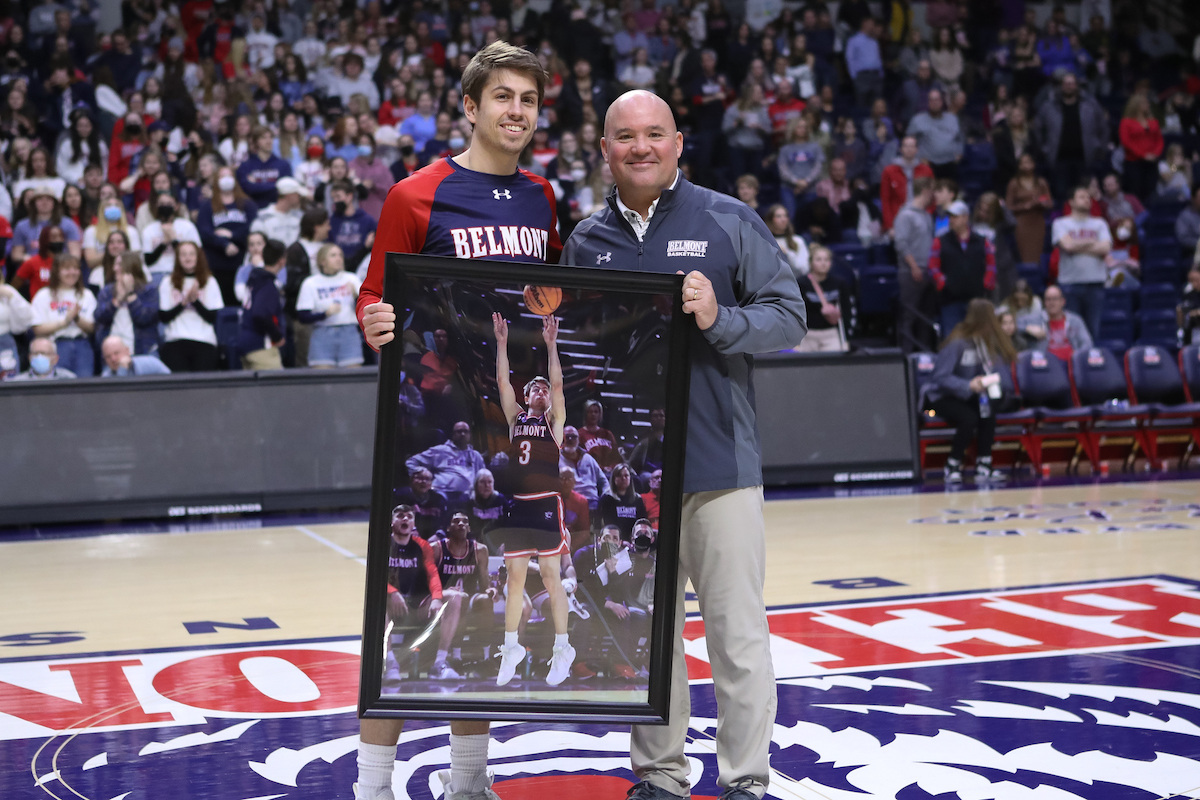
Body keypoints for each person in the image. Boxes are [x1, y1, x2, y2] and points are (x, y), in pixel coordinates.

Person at [561, 89, 806, 800]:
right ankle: (661, 777)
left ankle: (746, 782)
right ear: (604, 151)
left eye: (654, 134)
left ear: (678, 144)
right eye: (624, 137)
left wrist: (719, 317)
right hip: (629, 481)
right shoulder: (584, 241)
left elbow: (787, 316)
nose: (640, 147)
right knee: (650, 640)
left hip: (719, 467)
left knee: (736, 637)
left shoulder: (728, 218)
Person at [354, 41, 563, 800]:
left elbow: (551, 301)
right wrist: (373, 321)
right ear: (470, 107)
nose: (516, 112)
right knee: (402, 606)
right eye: (502, 97)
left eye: (528, 101)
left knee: (477, 593)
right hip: (432, 424)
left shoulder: (543, 197)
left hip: (510, 429)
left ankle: (468, 779)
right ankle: (372, 785)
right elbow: (375, 293)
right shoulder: (416, 194)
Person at [490, 312, 575, 687]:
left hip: (544, 504)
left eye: (543, 388)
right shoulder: (515, 421)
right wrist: (502, 342)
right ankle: (511, 647)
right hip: (519, 505)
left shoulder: (554, 422)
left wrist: (551, 343)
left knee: (551, 577)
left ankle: (562, 648)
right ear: (526, 398)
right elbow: (502, 381)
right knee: (514, 582)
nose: (541, 390)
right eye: (535, 388)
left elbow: (558, 385)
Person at [923, 298, 1016, 484]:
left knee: (987, 409)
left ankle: (984, 464)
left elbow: (998, 373)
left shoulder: (985, 344)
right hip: (939, 398)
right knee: (969, 417)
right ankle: (952, 464)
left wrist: (988, 382)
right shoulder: (957, 343)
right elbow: (939, 377)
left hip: (967, 396)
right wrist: (967, 385)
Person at [428, 511, 495, 679]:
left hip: (469, 597)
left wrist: (491, 590)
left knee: (485, 601)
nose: (461, 524)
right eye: (456, 521)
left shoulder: (480, 550)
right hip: (443, 598)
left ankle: (486, 658)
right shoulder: (437, 549)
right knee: (460, 599)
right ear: (449, 528)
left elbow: (485, 584)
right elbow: (426, 582)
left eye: (465, 521)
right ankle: (456, 657)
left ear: (469, 528)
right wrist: (445, 592)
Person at [1033, 73, 1108, 202]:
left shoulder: (1090, 105)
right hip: (1059, 159)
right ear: (1061, 86)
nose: (1069, 86)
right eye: (1066, 83)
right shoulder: (1049, 106)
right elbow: (1037, 128)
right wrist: (1044, 148)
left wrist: (1098, 146)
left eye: (1072, 83)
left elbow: (1103, 127)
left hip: (1084, 158)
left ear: (1077, 85)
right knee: (1062, 194)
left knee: (1084, 193)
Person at [1052, 185, 1112, 341]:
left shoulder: (1100, 223)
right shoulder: (1060, 223)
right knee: (1071, 333)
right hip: (1070, 284)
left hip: (1095, 284)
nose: (1087, 199)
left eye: (1088, 197)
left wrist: (1076, 245)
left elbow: (1105, 247)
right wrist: (1092, 242)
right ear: (1071, 202)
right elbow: (1067, 246)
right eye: (1082, 197)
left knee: (1093, 331)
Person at [158, 241, 224, 373]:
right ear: (177, 258)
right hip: (175, 339)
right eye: (183, 254)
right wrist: (184, 302)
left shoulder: (210, 282)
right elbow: (164, 317)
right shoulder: (167, 282)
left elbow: (212, 317)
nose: (187, 258)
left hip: (204, 340)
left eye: (191, 254)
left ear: (198, 257)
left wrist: (195, 301)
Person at [296, 244, 364, 369]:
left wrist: (356, 296)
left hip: (349, 332)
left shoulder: (352, 278)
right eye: (333, 255)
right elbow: (303, 316)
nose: (339, 258)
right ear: (323, 261)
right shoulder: (311, 283)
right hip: (322, 333)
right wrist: (325, 314)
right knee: (323, 381)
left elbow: (365, 311)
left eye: (340, 255)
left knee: (353, 379)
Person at [199, 164, 258, 306]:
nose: (226, 180)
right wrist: (224, 244)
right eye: (222, 176)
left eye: (229, 176)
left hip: (242, 261)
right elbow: (204, 232)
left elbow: (253, 227)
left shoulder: (247, 203)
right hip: (217, 263)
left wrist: (232, 235)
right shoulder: (208, 205)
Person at [30, 255, 95, 377]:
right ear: (56, 272)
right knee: (58, 386)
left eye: (75, 268)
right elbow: (37, 329)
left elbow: (92, 328)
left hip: (82, 345)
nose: (72, 272)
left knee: (84, 386)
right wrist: (65, 322)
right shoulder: (44, 295)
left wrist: (76, 318)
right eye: (66, 269)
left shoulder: (87, 295)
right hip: (55, 345)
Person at [893, 176, 937, 352]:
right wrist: (913, 266)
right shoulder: (905, 215)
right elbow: (901, 244)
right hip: (911, 271)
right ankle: (905, 352)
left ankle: (924, 353)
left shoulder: (926, 214)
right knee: (909, 315)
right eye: (932, 190)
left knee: (926, 315)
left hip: (928, 270)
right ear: (926, 190)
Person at [406, 421, 487, 507]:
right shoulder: (440, 450)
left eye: (465, 431)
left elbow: (484, 477)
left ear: (470, 435)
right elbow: (411, 462)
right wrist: (422, 472)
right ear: (453, 434)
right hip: (441, 494)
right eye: (459, 431)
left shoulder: (476, 456)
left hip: (467, 496)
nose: (462, 434)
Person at [94, 252, 159, 357]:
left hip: (143, 350)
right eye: (114, 264)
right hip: (113, 354)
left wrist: (130, 294)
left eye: (119, 264)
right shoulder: (107, 291)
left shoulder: (149, 290)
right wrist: (118, 299)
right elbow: (99, 317)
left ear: (131, 266)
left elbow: (145, 318)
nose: (114, 268)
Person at [238, 238, 287, 370]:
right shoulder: (267, 284)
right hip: (261, 345)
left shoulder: (254, 279)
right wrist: (277, 336)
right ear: (282, 260)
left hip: (245, 341)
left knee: (254, 390)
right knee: (275, 389)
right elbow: (260, 313)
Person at [794, 244, 850, 352]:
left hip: (831, 334)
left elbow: (846, 310)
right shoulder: (801, 283)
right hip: (808, 334)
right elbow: (796, 312)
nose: (823, 263)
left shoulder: (839, 283)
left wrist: (846, 338)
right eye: (818, 260)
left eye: (826, 260)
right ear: (811, 263)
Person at [1016, 284, 1093, 362]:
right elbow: (1012, 325)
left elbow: (1087, 344)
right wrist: (1027, 328)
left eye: (1055, 299)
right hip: (1045, 366)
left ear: (1062, 301)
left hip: (1071, 364)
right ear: (1044, 302)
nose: (1051, 303)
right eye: (1048, 299)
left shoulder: (1075, 320)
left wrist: (1077, 355)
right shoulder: (1036, 319)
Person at [1005, 153, 1054, 265]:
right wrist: (1025, 206)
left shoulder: (1041, 182)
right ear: (1019, 166)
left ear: (1033, 164)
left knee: (1038, 253)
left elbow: (1050, 203)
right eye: (1023, 163)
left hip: (1037, 221)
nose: (1026, 165)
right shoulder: (1014, 183)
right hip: (1021, 222)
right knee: (1025, 254)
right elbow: (1008, 207)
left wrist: (1042, 203)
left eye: (1028, 162)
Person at [142, 193, 202, 280]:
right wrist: (164, 243)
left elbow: (197, 255)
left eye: (169, 204)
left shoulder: (187, 226)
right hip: (156, 273)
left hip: (180, 272)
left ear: (176, 206)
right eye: (162, 204)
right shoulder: (148, 229)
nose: (165, 206)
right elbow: (148, 261)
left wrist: (174, 240)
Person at [880, 135, 934, 231]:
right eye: (906, 146)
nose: (909, 149)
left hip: (921, 219)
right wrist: (889, 226)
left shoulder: (926, 171)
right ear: (901, 149)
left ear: (917, 149)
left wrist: (928, 215)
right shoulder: (889, 171)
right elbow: (885, 200)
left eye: (912, 146)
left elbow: (932, 197)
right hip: (897, 219)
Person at [906, 88, 962, 180]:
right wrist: (918, 157)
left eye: (937, 99)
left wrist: (960, 152)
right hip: (928, 164)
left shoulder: (952, 118)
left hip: (950, 163)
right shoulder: (918, 120)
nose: (934, 102)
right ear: (928, 102)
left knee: (949, 191)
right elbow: (909, 141)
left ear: (941, 102)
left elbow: (960, 138)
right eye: (931, 100)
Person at [1119, 94, 1163, 201]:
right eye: (1144, 103)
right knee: (1136, 193)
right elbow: (1126, 142)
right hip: (1134, 163)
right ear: (1136, 105)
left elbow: (1159, 140)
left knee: (1151, 192)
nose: (1147, 105)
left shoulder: (1153, 121)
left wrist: (1155, 154)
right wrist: (1143, 155)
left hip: (1151, 162)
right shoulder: (1126, 122)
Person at [558, 425, 610, 510]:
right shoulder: (556, 458)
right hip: (570, 502)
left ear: (578, 440)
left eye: (573, 437)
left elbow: (603, 481)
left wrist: (606, 496)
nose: (570, 439)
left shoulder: (588, 458)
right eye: (567, 437)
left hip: (592, 501)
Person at [599, 462, 649, 543]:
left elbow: (642, 523)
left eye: (626, 475)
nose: (623, 478)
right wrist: (621, 542)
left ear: (630, 478)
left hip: (634, 542)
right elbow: (607, 525)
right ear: (614, 479)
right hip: (613, 541)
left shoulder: (638, 499)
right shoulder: (607, 499)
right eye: (619, 476)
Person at [251, 177, 306, 248]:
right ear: (289, 196)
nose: (300, 199)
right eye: (298, 195)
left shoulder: (299, 216)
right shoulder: (263, 218)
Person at [0, 268, 32, 378]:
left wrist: (11, 297)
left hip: (4, 343)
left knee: (9, 381)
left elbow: (28, 318)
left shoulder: (6, 290)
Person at [578, 399, 622, 472]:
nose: (593, 414)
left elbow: (616, 456)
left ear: (600, 414)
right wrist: (601, 468)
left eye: (596, 412)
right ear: (586, 414)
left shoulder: (607, 434)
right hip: (590, 472)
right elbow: (580, 459)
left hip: (610, 473)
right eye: (590, 412)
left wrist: (611, 467)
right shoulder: (579, 434)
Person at [766, 204, 808, 277]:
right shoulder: (765, 242)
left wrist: (787, 254)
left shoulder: (798, 240)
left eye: (785, 216)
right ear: (771, 220)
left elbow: (804, 268)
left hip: (795, 281)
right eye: (778, 216)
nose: (783, 219)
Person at [99, 335, 170, 377]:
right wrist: (122, 369)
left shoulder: (150, 363)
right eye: (108, 356)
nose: (113, 359)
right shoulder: (106, 376)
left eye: (116, 353)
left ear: (127, 351)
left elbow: (170, 380)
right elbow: (120, 395)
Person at [557, 466, 592, 550]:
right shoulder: (550, 498)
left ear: (575, 481)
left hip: (572, 546)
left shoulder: (581, 501)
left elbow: (584, 531)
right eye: (562, 478)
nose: (566, 482)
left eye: (569, 479)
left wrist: (571, 547)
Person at [1178, 266, 1200, 346]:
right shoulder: (1188, 295)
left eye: (1197, 280)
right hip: (1192, 332)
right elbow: (1182, 321)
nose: (1194, 283)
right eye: (1191, 281)